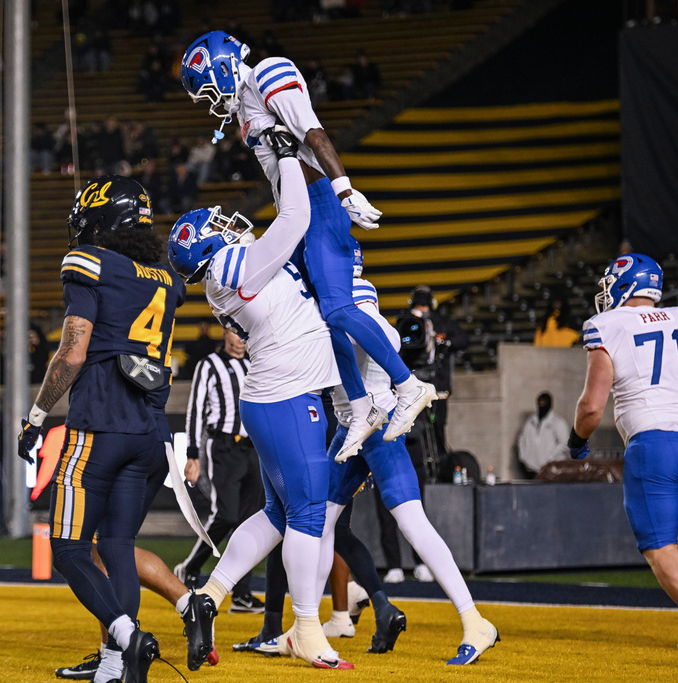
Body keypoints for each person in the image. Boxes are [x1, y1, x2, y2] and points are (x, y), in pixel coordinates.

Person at [181, 31, 434, 462]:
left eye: (207, 86)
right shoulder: (244, 103)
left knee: (337, 309)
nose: (209, 99)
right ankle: (359, 408)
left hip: (319, 205)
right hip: (300, 212)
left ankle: (409, 386)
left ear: (222, 66)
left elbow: (312, 133)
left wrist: (344, 189)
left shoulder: (266, 73)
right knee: (320, 318)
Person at [236, 273, 498, 665]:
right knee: (316, 523)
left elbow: (383, 336)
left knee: (412, 523)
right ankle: (304, 625)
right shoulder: (335, 293)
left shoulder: (348, 296)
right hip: (350, 427)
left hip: (380, 424)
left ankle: (474, 620)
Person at [168, 129, 358, 670]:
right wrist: (283, 155)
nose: (229, 228)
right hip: (288, 395)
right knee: (308, 513)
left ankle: (209, 596)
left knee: (277, 513)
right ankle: (305, 629)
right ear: (209, 250)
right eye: (217, 231)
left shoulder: (233, 271)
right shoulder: (232, 268)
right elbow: (294, 217)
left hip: (278, 395)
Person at [18, 175, 186, 683]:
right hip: (149, 431)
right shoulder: (167, 277)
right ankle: (116, 665)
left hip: (99, 426)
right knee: (116, 546)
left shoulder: (89, 263)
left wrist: (37, 415)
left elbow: (73, 351)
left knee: (68, 548)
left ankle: (126, 636)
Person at [569, 253, 678, 652]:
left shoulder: (606, 325)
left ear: (626, 283)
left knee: (658, 544)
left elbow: (592, 406)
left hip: (653, 444)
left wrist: (577, 440)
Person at [174, 327, 265, 614]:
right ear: (226, 333)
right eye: (237, 332)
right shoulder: (210, 364)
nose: (242, 339)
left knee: (250, 521)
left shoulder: (254, 363)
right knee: (225, 514)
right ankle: (191, 566)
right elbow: (196, 409)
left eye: (246, 334)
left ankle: (241, 593)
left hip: (253, 448)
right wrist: (192, 455)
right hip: (223, 447)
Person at [388, 284, 467, 581]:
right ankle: (397, 562)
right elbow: (398, 347)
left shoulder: (442, 324)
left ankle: (421, 561)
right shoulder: (402, 325)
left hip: (433, 398)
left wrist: (441, 340)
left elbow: (463, 340)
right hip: (403, 401)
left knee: (421, 476)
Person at [516, 392, 570, 478]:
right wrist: (524, 457)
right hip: (531, 469)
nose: (541, 404)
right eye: (540, 402)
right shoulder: (529, 422)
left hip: (552, 469)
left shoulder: (558, 422)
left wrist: (549, 458)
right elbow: (521, 440)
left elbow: (565, 443)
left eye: (544, 402)